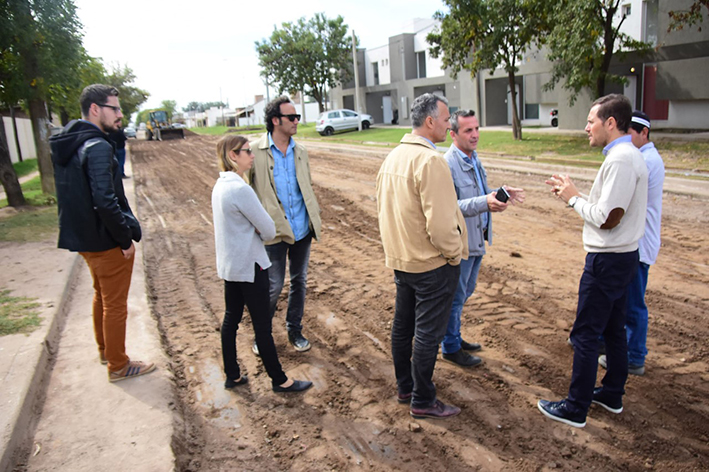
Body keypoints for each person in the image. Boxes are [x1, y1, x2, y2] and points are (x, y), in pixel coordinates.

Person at [538, 94, 648, 428]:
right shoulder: (627, 155)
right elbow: (609, 210)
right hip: (621, 258)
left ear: (610, 123)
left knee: (586, 335)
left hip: (607, 261)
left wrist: (573, 200)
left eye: (591, 121)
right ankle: (611, 393)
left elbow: (607, 218)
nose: (587, 127)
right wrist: (576, 195)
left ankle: (576, 407)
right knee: (613, 330)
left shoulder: (621, 160)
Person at [50, 84, 155, 382]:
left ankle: (106, 351)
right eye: (115, 108)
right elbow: (105, 201)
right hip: (105, 240)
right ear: (95, 109)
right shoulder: (96, 146)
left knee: (101, 295)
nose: (120, 115)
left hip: (83, 239)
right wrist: (124, 240)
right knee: (115, 304)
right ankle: (119, 365)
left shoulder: (67, 141)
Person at [376, 93, 468, 419]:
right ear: (430, 121)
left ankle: (406, 387)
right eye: (446, 119)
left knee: (403, 327)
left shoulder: (393, 157)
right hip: (431, 264)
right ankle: (423, 399)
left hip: (402, 260)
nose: (449, 125)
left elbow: (384, 212)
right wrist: (455, 255)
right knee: (428, 334)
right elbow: (442, 225)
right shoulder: (431, 161)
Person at [211, 135, 312, 393]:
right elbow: (268, 230)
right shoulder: (241, 189)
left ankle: (232, 375)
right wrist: (257, 230)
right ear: (233, 156)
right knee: (262, 327)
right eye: (247, 151)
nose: (252, 155)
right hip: (251, 265)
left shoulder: (220, 186)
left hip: (231, 266)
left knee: (231, 319)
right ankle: (280, 380)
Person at [441, 110, 525, 367]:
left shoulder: (474, 158)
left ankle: (452, 335)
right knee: (455, 296)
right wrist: (484, 202)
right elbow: (449, 207)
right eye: (468, 130)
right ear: (453, 134)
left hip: (477, 240)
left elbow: (478, 194)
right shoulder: (447, 164)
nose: (475, 134)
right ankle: (451, 347)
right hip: (461, 244)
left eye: (477, 129)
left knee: (466, 292)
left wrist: (498, 193)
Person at [249, 96, 322, 354]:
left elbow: (307, 187)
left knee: (299, 281)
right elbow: (247, 193)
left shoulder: (300, 151)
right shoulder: (254, 151)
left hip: (302, 229)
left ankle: (295, 329)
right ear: (275, 120)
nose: (296, 121)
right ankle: (262, 334)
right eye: (291, 117)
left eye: (297, 117)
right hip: (273, 232)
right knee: (273, 286)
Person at [599, 110, 664, 377]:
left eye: (631, 134)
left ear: (643, 133)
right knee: (622, 300)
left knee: (634, 302)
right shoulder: (642, 158)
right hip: (636, 241)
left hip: (639, 242)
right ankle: (617, 346)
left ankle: (635, 355)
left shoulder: (645, 160)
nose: (628, 139)